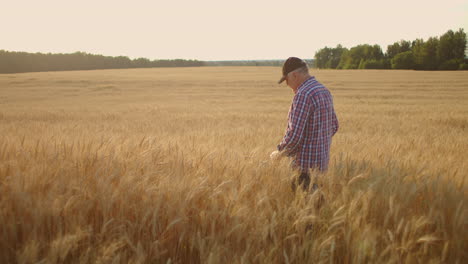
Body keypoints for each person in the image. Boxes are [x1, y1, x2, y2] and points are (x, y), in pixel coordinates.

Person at [270, 57, 339, 192]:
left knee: (305, 208)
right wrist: (318, 142)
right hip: (321, 165)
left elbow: (294, 136)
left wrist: (279, 153)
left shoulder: (303, 94)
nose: (287, 84)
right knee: (316, 207)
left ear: (294, 75)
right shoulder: (324, 90)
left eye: (286, 80)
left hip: (304, 170)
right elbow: (334, 126)